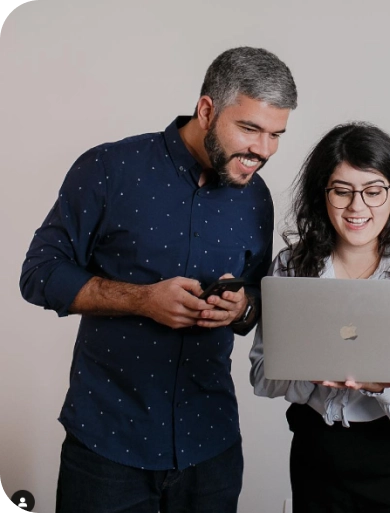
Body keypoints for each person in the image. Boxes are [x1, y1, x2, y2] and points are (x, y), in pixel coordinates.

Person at [19, 46, 297, 513]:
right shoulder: (108, 169)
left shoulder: (256, 198)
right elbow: (40, 273)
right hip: (107, 446)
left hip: (212, 448)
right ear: (207, 109)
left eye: (276, 135)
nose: (263, 151)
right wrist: (141, 299)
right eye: (250, 129)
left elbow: (256, 298)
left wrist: (242, 307)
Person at [249, 122, 390, 512]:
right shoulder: (291, 267)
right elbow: (262, 376)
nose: (357, 207)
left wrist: (379, 382)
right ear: (322, 195)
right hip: (318, 455)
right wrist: (306, 369)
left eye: (373, 191)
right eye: (341, 191)